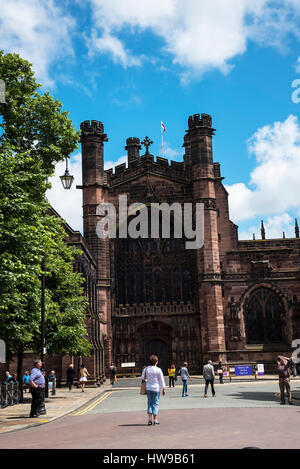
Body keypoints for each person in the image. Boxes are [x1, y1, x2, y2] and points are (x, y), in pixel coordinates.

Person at [141, 354, 166, 425]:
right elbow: (161, 380)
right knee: (155, 403)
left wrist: (147, 380)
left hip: (148, 388)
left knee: (149, 403)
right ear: (156, 362)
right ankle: (155, 420)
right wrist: (163, 388)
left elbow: (142, 378)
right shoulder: (158, 369)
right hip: (156, 388)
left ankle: (149, 419)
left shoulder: (146, 369)